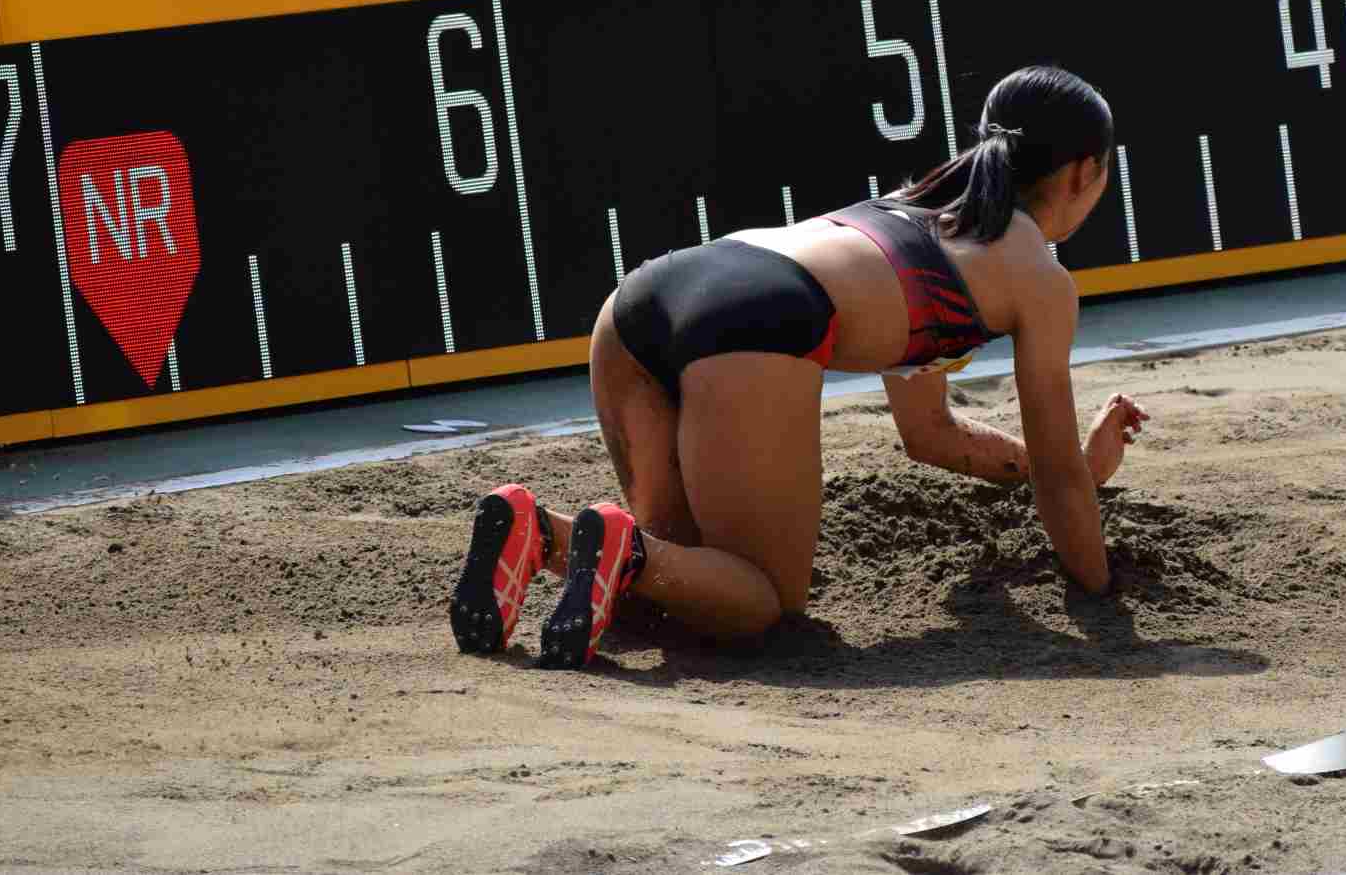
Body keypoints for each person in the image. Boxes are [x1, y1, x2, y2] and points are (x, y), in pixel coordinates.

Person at [448, 64, 1150, 667]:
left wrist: (1080, 471)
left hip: (648, 296)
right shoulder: (1039, 275)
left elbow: (930, 433)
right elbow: (1057, 474)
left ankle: (541, 530)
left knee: (682, 580)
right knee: (762, 600)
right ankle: (610, 544)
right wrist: (1102, 590)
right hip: (756, 312)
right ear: (1088, 170)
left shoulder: (918, 207)